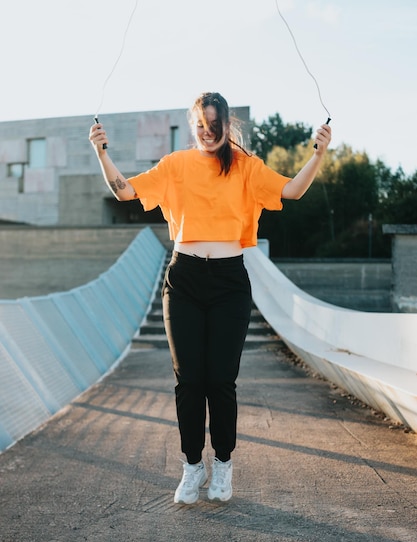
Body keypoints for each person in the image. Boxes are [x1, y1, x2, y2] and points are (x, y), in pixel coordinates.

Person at [89, 92, 331, 505]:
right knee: (189, 380)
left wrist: (318, 154)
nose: (207, 132)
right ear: (193, 125)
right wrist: (101, 151)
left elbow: (291, 191)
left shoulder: (245, 166)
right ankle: (191, 466)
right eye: (201, 125)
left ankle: (222, 463)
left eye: (215, 126)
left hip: (229, 282)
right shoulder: (175, 165)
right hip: (183, 280)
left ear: (226, 126)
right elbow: (125, 192)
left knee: (220, 380)